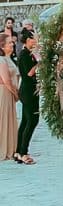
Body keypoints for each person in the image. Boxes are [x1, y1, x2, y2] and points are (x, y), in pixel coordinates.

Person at [15, 30, 39, 165]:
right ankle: (24, 153)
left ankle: (19, 151)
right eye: (32, 39)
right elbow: (29, 73)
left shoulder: (29, 54)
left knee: (25, 121)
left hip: (29, 90)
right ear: (27, 41)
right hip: (28, 91)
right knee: (32, 121)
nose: (35, 41)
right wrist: (39, 63)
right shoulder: (24, 55)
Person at [0, 33, 20, 162]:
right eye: (9, 43)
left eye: (12, 42)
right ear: (2, 46)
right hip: (5, 92)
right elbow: (6, 81)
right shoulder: (1, 60)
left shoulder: (9, 58)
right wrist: (16, 94)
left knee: (9, 119)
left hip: (9, 92)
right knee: (4, 119)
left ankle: (10, 147)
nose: (12, 44)